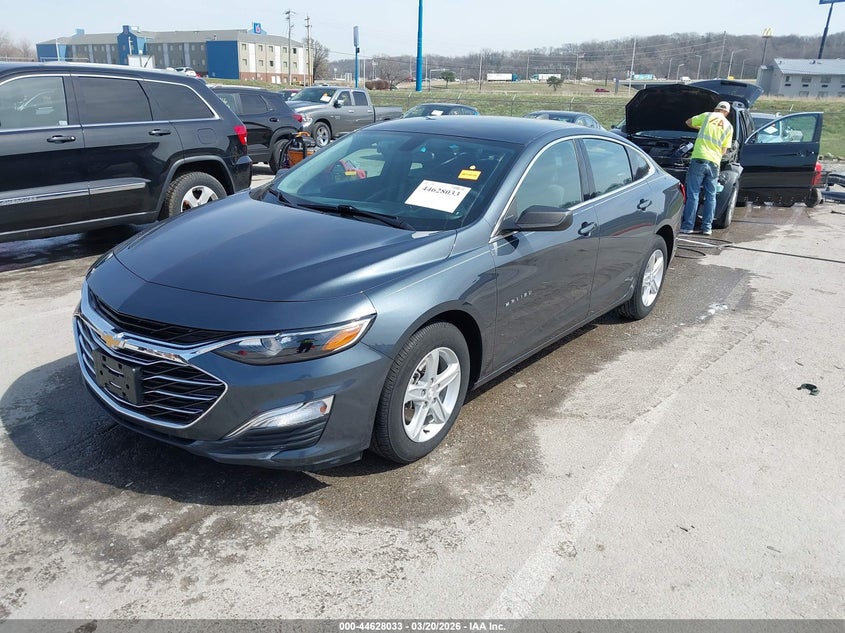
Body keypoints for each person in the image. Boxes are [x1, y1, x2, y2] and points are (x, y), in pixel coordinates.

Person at [680, 100, 734, 236]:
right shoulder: (729, 127)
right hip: (714, 162)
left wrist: (701, 127)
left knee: (693, 194)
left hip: (699, 158)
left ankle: (687, 227)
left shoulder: (707, 116)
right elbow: (724, 150)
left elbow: (688, 122)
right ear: (727, 112)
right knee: (711, 196)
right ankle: (707, 228)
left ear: (716, 109)